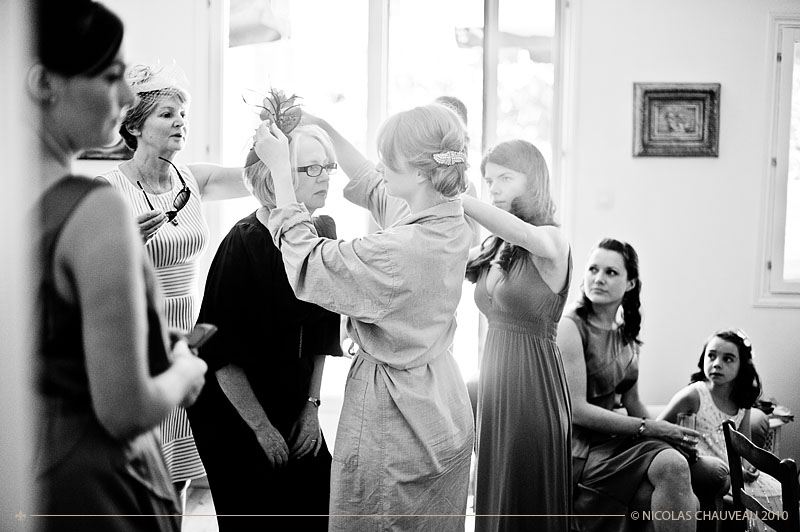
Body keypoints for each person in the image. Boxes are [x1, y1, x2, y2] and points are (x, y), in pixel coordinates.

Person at [254, 103, 475, 532]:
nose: (379, 166)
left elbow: (310, 262)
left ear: (420, 173)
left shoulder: (398, 251)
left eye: (388, 158)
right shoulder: (450, 216)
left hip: (399, 419)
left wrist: (282, 171)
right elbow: (373, 185)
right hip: (442, 404)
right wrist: (320, 124)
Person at [31, 1, 207, 531]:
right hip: (101, 480)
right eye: (112, 76)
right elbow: (127, 410)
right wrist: (185, 372)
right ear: (45, 84)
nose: (129, 96)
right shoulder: (96, 207)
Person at [97, 63, 251, 497]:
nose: (180, 121)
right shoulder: (107, 189)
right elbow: (93, 274)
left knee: (179, 471)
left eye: (182, 114)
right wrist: (126, 244)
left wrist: (273, 134)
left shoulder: (194, 179)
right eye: (167, 114)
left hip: (189, 337)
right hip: (140, 337)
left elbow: (257, 177)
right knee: (140, 471)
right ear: (135, 126)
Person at [186, 125, 341, 531]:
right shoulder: (243, 242)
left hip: (292, 395)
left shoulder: (323, 231)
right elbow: (219, 354)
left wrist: (311, 406)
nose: (325, 176)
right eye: (310, 168)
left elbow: (322, 333)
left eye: (328, 166)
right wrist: (260, 428)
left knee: (318, 504)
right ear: (276, 177)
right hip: (232, 403)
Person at [462, 139, 572, 531]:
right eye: (490, 180)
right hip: (496, 393)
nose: (494, 188)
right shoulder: (496, 245)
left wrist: (458, 198)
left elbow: (526, 234)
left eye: (505, 178)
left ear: (534, 181)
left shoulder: (552, 240)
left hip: (533, 393)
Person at [556, 239, 701, 532]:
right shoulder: (571, 326)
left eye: (611, 272)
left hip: (615, 440)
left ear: (630, 283)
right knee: (674, 475)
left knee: (675, 463)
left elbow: (632, 402)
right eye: (593, 269)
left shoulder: (626, 332)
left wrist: (669, 434)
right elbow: (577, 411)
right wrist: (652, 429)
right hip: (580, 447)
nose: (598, 278)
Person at [658, 328, 782, 532]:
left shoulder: (742, 402)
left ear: (742, 366)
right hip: (709, 471)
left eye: (728, 359)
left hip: (737, 473)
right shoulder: (693, 395)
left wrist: (749, 467)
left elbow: (744, 445)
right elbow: (659, 429)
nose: (717, 363)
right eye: (711, 356)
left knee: (779, 498)